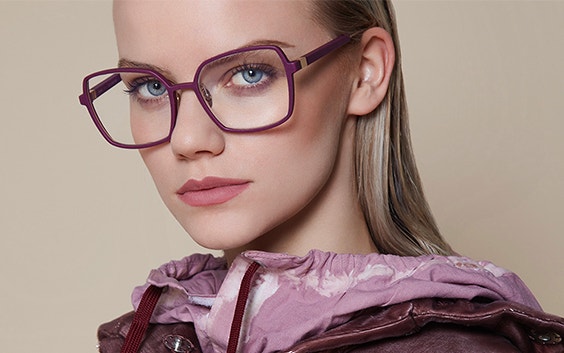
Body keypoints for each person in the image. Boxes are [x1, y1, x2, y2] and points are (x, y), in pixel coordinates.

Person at [79, 0, 564, 352]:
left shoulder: (449, 344)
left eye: (249, 74)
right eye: (147, 86)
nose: (187, 139)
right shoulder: (156, 330)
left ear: (365, 73)